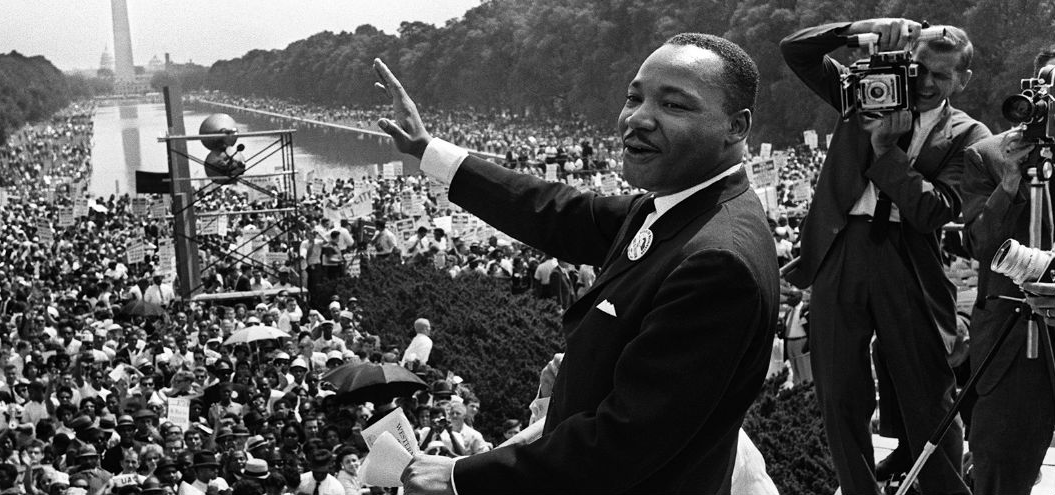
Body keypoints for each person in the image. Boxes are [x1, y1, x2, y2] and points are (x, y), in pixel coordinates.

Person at [375, 30, 778, 494]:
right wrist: (428, 150)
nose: (638, 119)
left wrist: (458, 475)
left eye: (675, 105)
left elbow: (622, 442)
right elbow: (556, 212)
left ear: (737, 127)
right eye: (634, 97)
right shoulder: (676, 207)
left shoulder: (716, 261)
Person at [780, 18, 989, 495]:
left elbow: (933, 210)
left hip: (908, 257)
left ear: (963, 80)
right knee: (838, 390)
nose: (926, 82)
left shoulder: (969, 135)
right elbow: (796, 52)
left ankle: (943, 488)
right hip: (841, 248)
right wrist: (858, 28)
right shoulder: (865, 92)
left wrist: (883, 150)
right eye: (919, 69)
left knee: (928, 390)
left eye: (941, 74)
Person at [958, 45, 1055, 494]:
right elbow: (980, 244)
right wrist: (1011, 182)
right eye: (1049, 83)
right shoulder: (989, 155)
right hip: (1010, 343)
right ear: (1034, 88)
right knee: (998, 471)